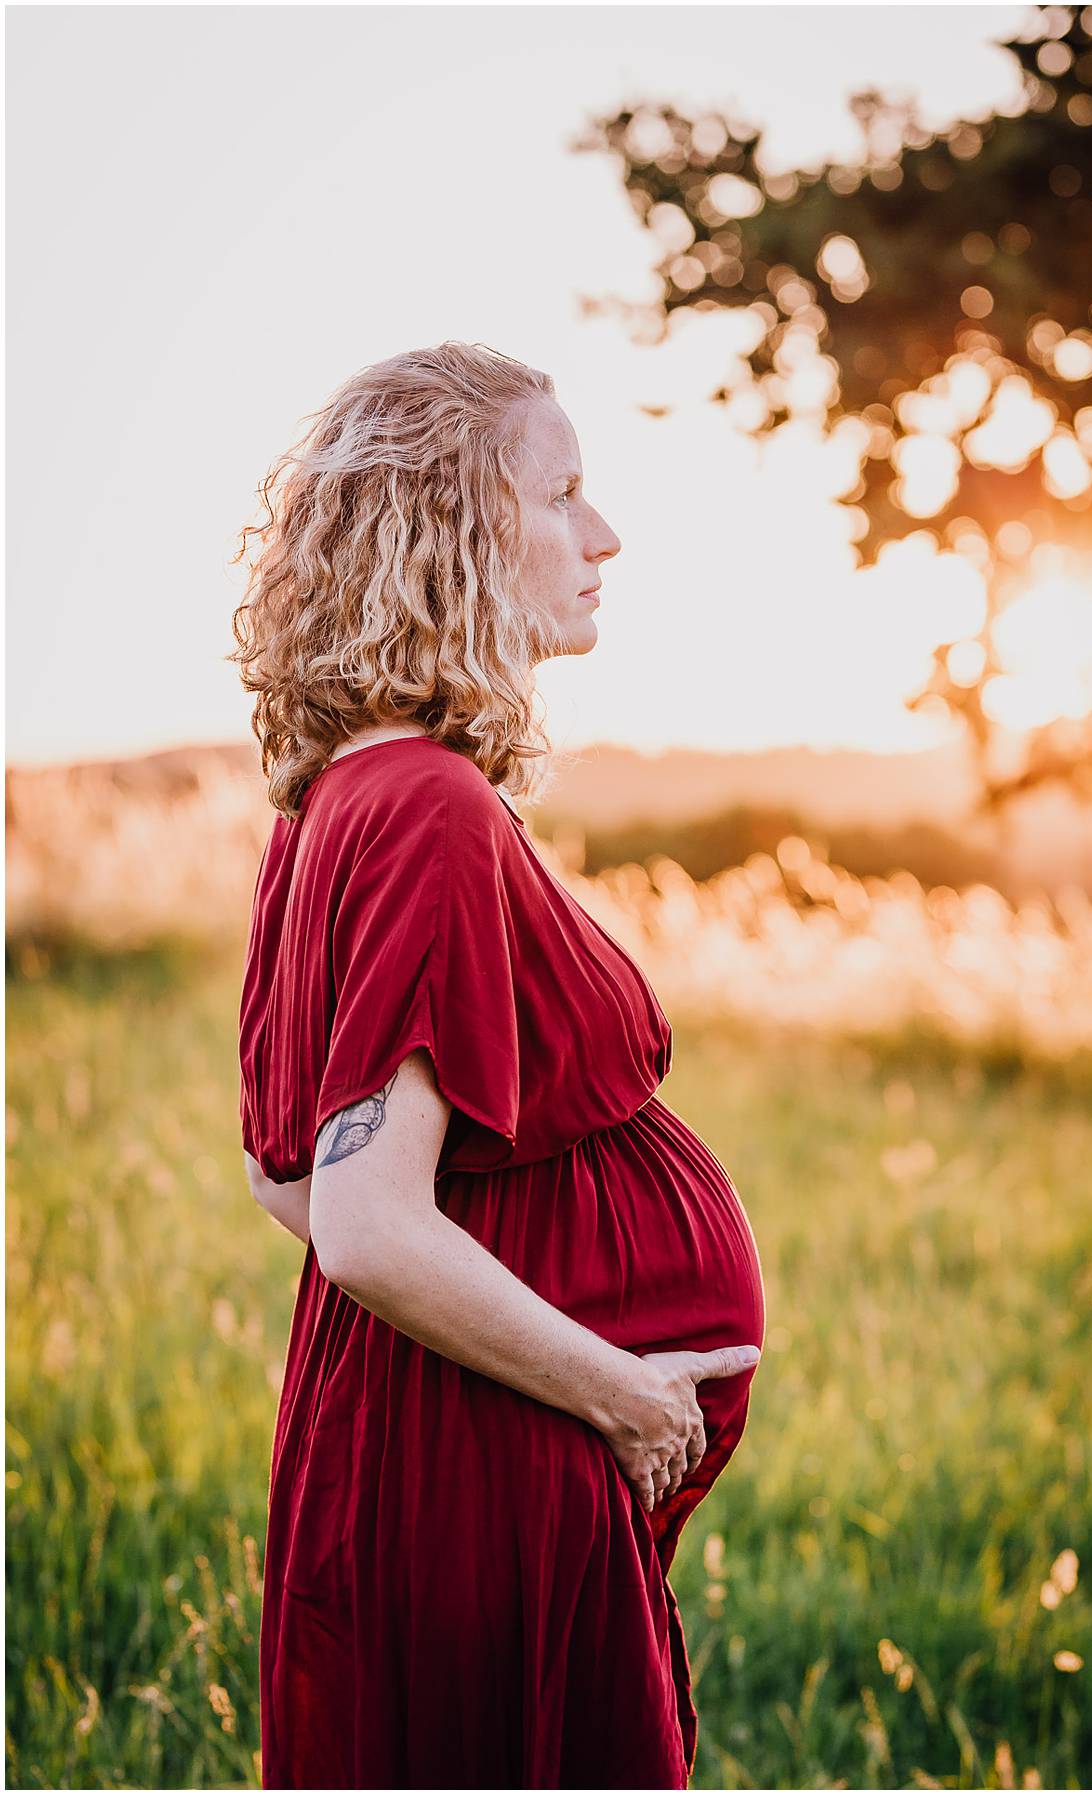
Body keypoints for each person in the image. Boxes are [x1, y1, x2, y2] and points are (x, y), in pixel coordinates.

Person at [232, 341, 767, 1790]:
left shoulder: (342, 793)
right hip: (485, 1454)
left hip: (423, 1425)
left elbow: (287, 1171)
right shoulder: (427, 808)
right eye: (566, 493)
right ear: (456, 529)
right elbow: (359, 1220)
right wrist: (623, 1391)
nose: (605, 536)